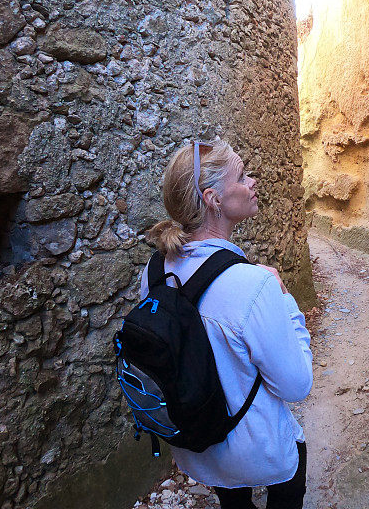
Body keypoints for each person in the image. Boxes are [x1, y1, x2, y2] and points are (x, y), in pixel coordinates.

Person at [140, 138, 313, 509]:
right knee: (290, 475)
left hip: (197, 445)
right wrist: (285, 300)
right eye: (242, 176)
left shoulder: (155, 271)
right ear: (213, 199)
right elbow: (296, 385)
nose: (253, 182)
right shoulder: (255, 285)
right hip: (259, 453)